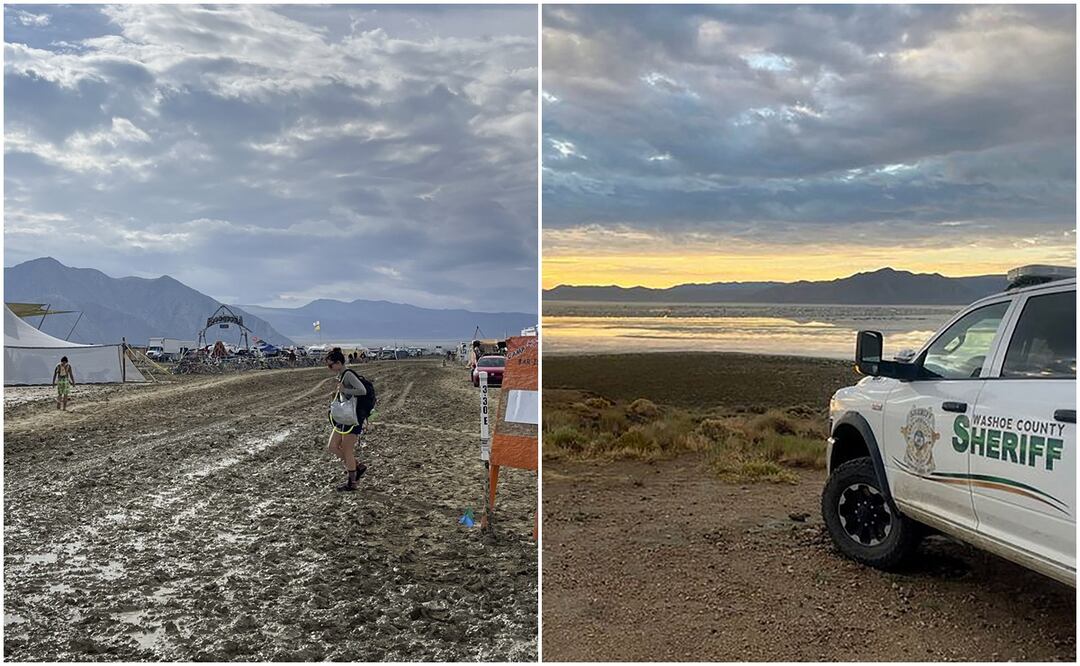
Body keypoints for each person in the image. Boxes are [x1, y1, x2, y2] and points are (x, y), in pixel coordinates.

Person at [325, 348, 368, 492]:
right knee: (332, 446)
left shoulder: (348, 374)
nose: (329, 368)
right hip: (344, 416)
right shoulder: (342, 375)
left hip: (352, 418)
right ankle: (357, 467)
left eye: (330, 365)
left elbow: (362, 390)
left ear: (338, 363)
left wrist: (345, 391)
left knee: (347, 449)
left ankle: (352, 482)